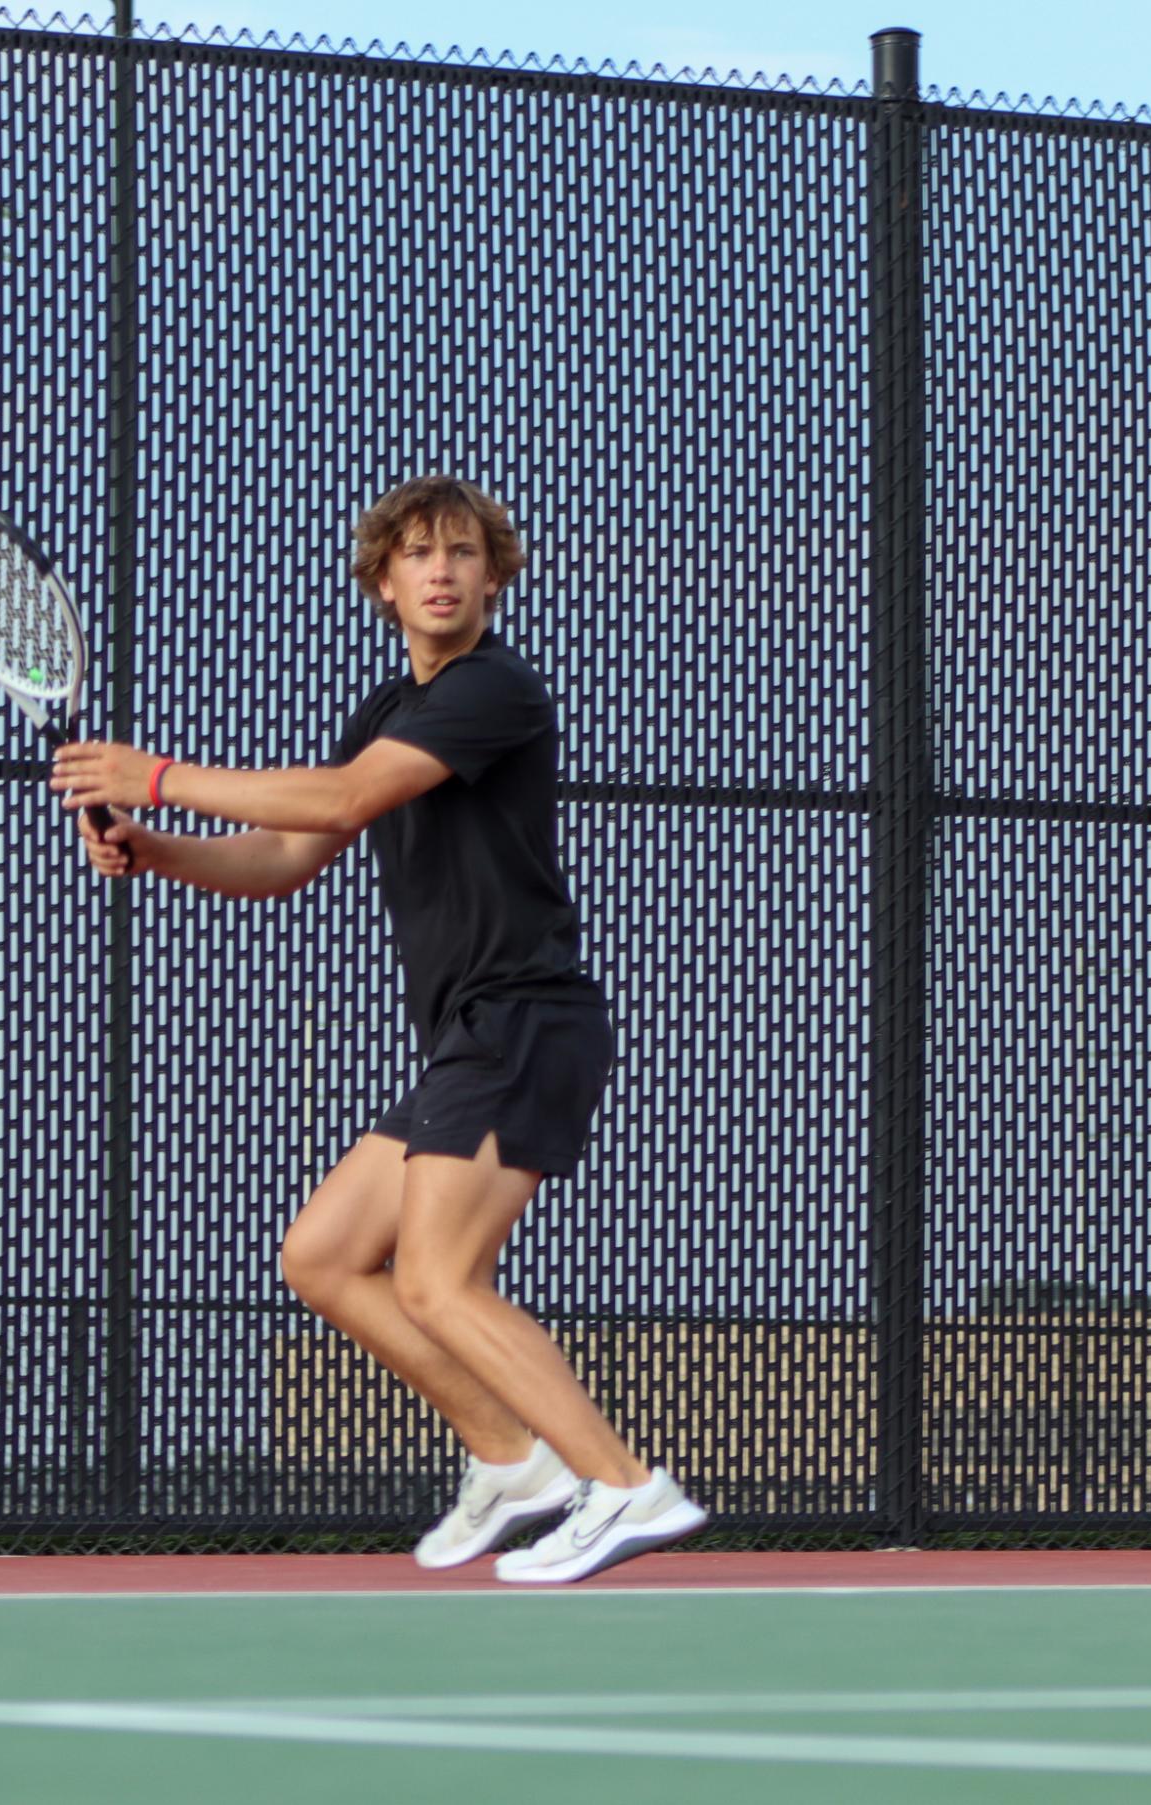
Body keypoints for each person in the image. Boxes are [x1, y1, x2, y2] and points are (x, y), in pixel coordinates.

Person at [50, 474, 706, 1582]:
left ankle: (627, 1482)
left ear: (497, 576)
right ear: (384, 583)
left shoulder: (496, 689)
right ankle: (512, 1460)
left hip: (523, 1020)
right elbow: (286, 858)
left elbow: (344, 800)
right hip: (470, 1034)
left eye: (461, 553)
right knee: (323, 1255)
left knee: (440, 1279)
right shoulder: (386, 710)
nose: (440, 571)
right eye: (417, 555)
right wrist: (156, 846)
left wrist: (154, 776)